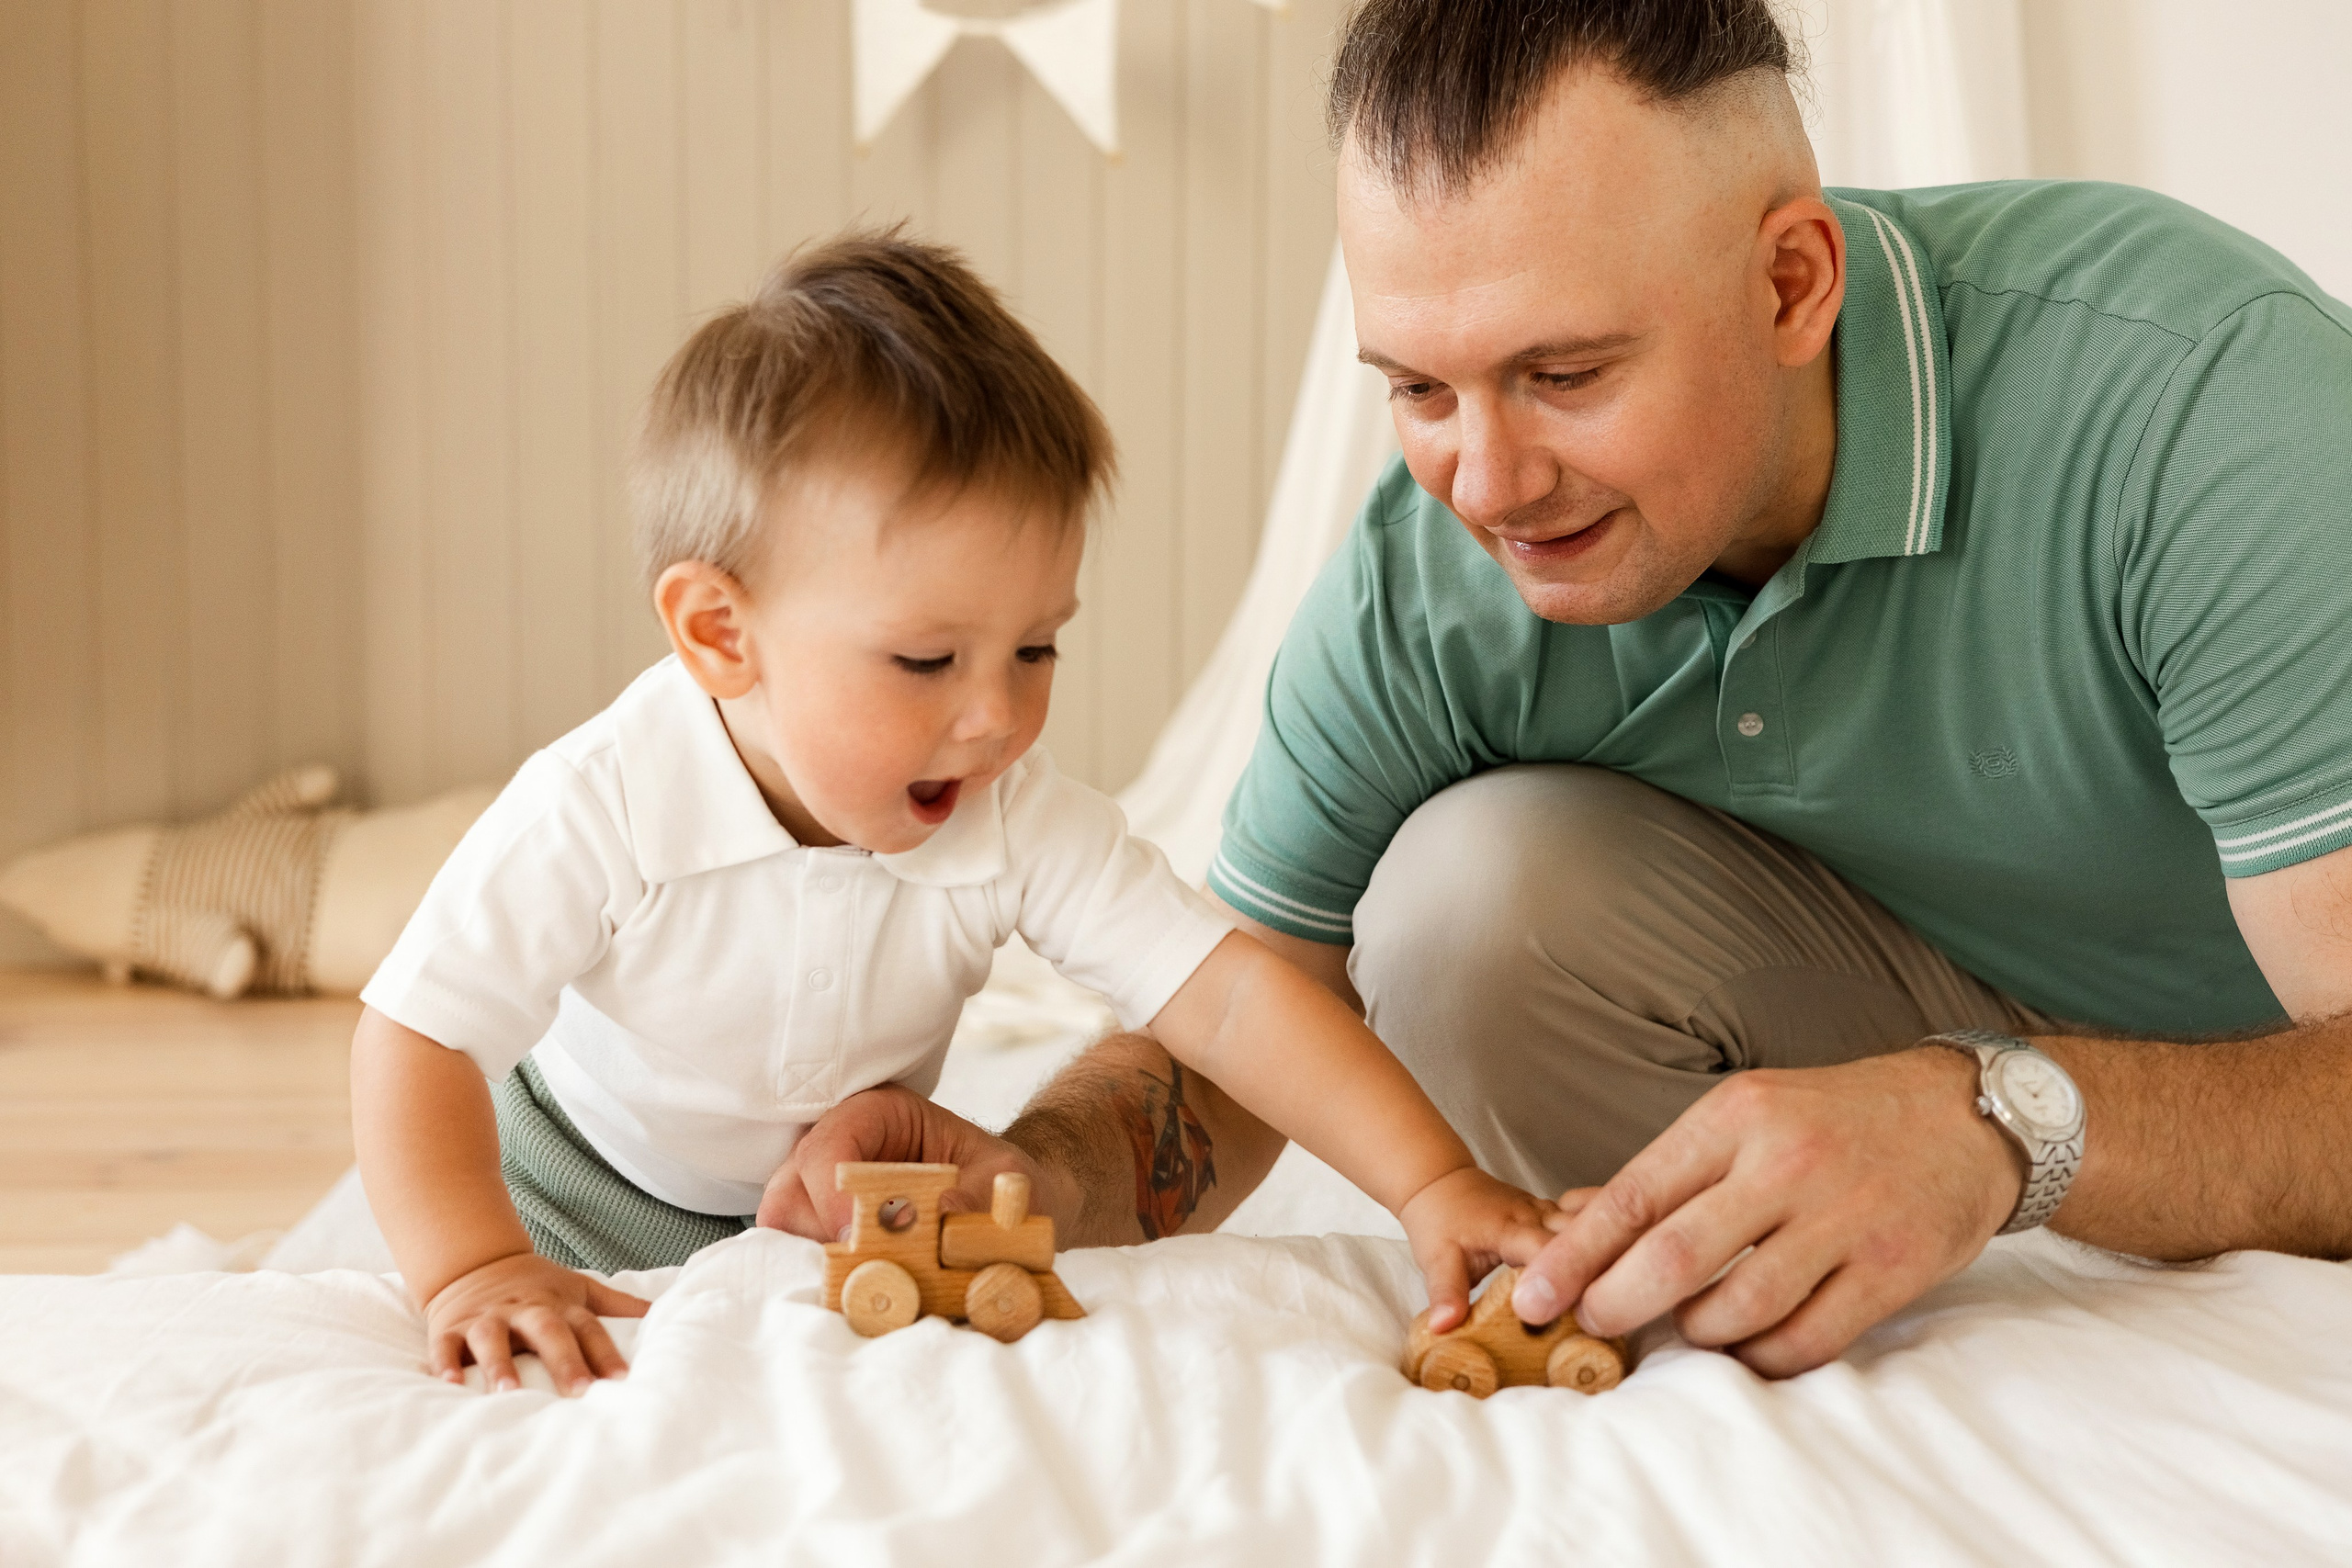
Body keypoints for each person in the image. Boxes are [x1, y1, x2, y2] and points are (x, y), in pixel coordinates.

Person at [763, 0, 2352, 1378]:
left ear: (1792, 285)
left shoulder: (2210, 412)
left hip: (2265, 1065)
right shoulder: (1428, 581)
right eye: (1419, 387)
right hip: (1914, 1033)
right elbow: (1244, 1026)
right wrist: (1031, 1179)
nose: (1490, 482)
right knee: (1464, 900)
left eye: (1567, 375)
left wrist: (2001, 1123)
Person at [349, 231, 1556, 1394]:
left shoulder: (1011, 815)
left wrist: (1430, 1181)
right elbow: (419, 1034)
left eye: (1036, 648)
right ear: (720, 634)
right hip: (570, 1194)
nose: (996, 717)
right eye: (927, 661)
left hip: (849, 1211)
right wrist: (475, 1265)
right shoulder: (603, 801)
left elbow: (1230, 1001)